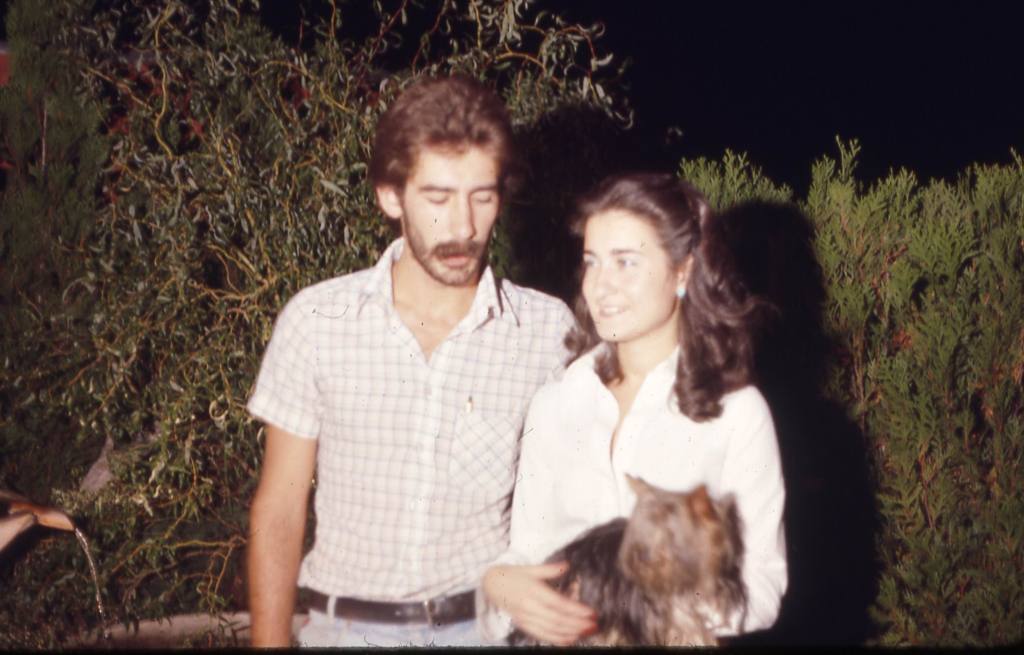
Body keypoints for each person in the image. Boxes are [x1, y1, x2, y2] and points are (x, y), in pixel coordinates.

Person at [245, 74, 574, 647]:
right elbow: (279, 509)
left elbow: (574, 502)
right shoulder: (317, 322)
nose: (464, 227)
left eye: (482, 197)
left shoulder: (547, 333)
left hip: (484, 631)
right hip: (344, 633)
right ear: (390, 196)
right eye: (438, 199)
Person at [479, 173, 788, 645]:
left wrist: (641, 603)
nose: (601, 285)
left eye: (626, 262)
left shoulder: (736, 413)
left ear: (683, 272)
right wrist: (501, 584)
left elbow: (761, 586)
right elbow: (529, 553)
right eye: (592, 262)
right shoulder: (557, 402)